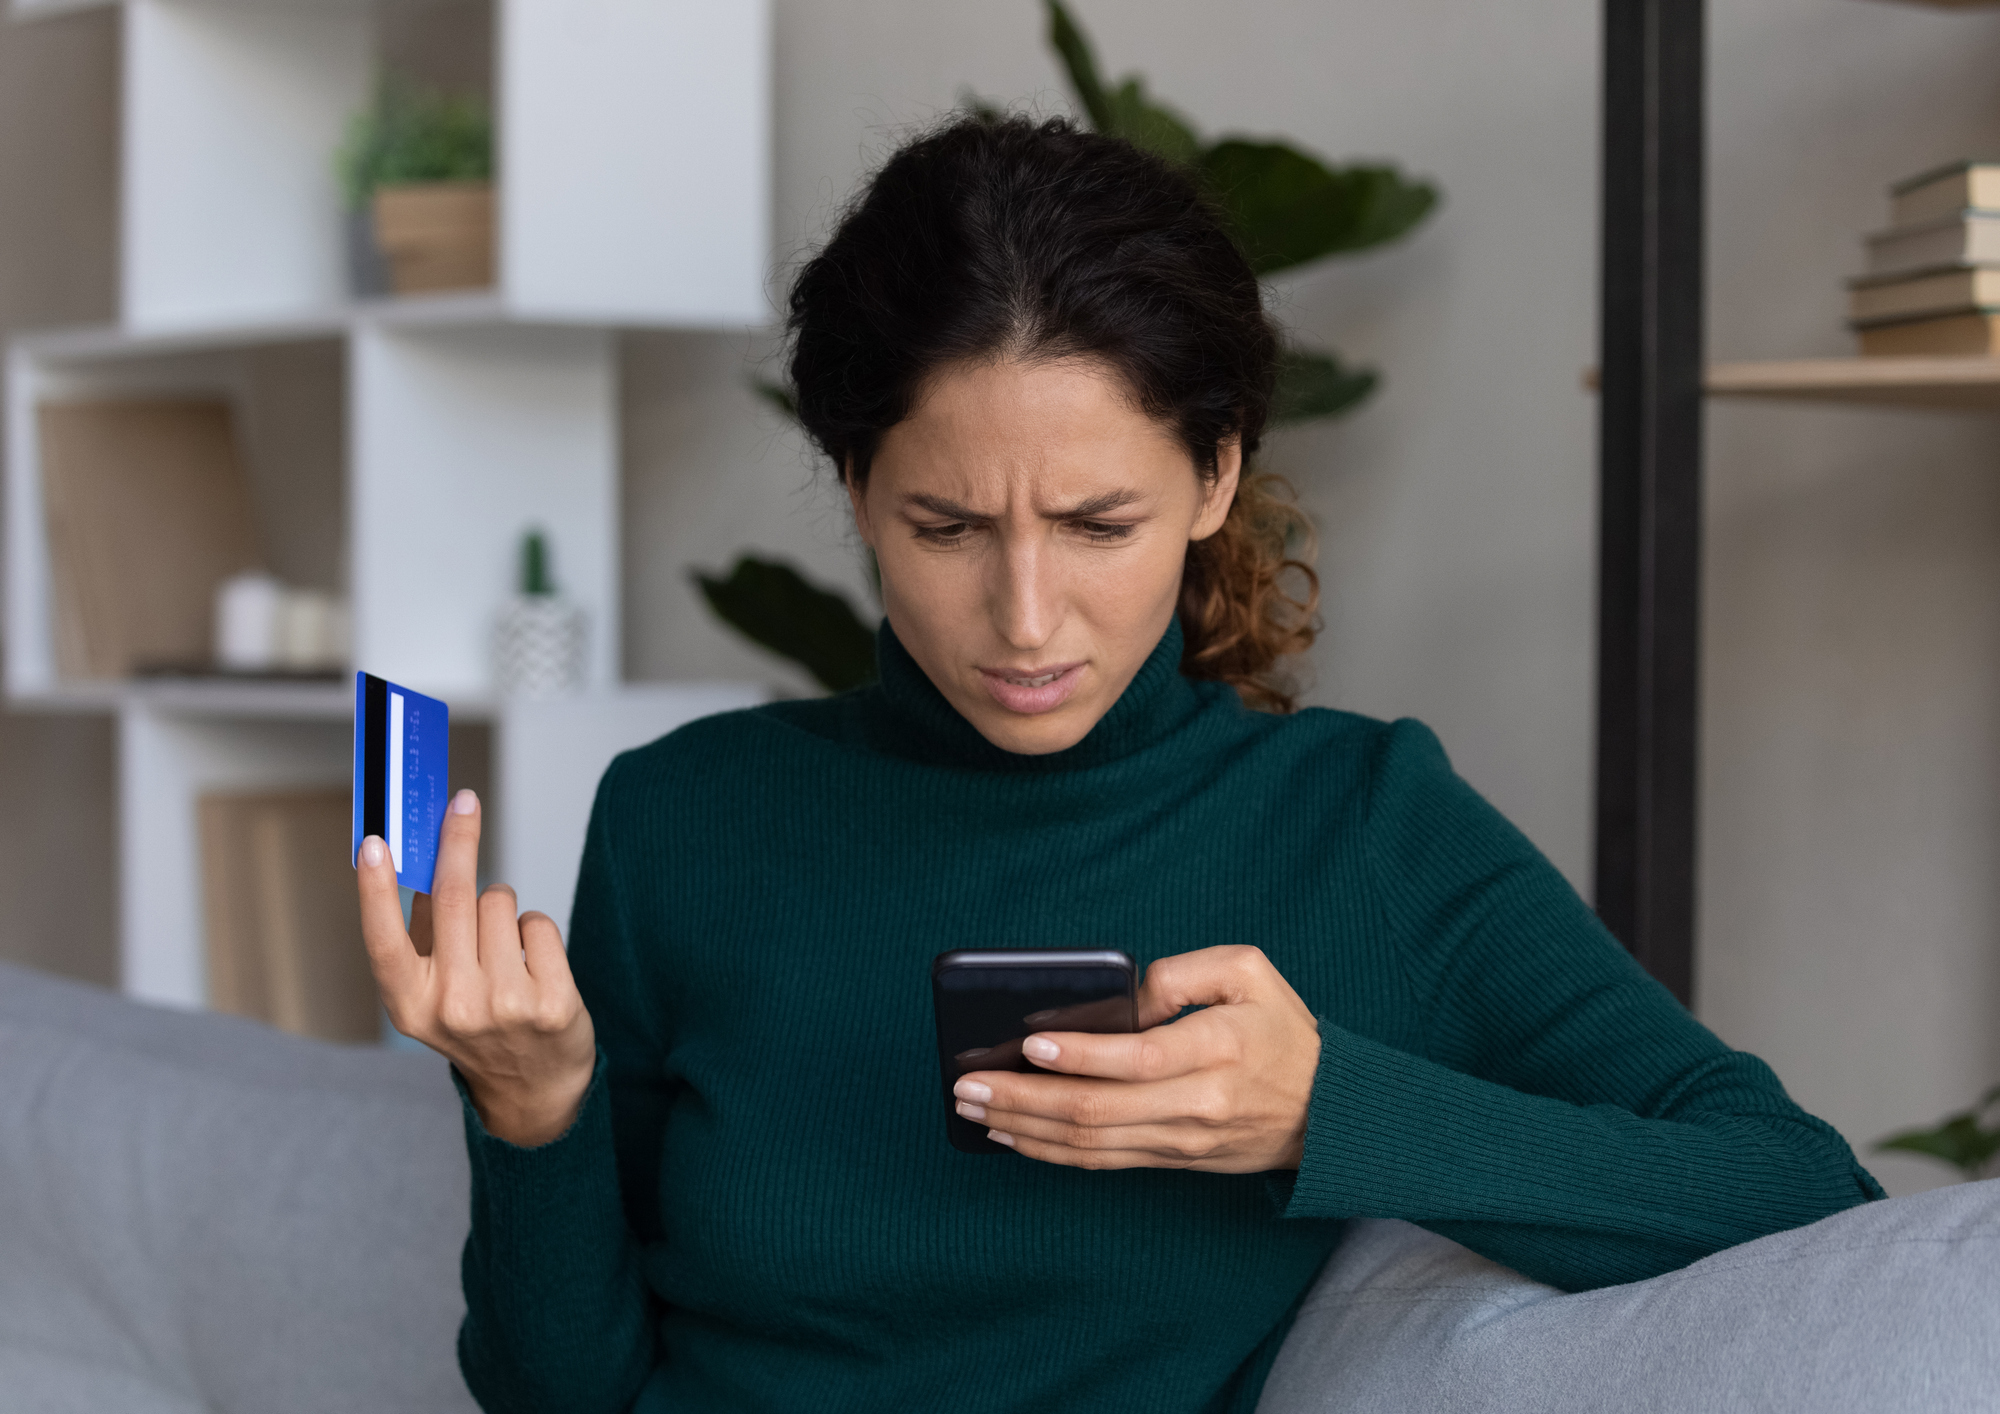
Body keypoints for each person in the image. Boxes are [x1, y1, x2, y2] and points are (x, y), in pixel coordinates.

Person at [354, 114, 1881, 1414]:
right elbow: (559, 1393)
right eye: (944, 528)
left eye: (1098, 525)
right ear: (855, 487)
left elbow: (1794, 1191)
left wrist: (1324, 1109)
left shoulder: (1358, 826)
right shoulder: (682, 816)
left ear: (1214, 475)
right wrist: (533, 1111)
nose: (1024, 619)